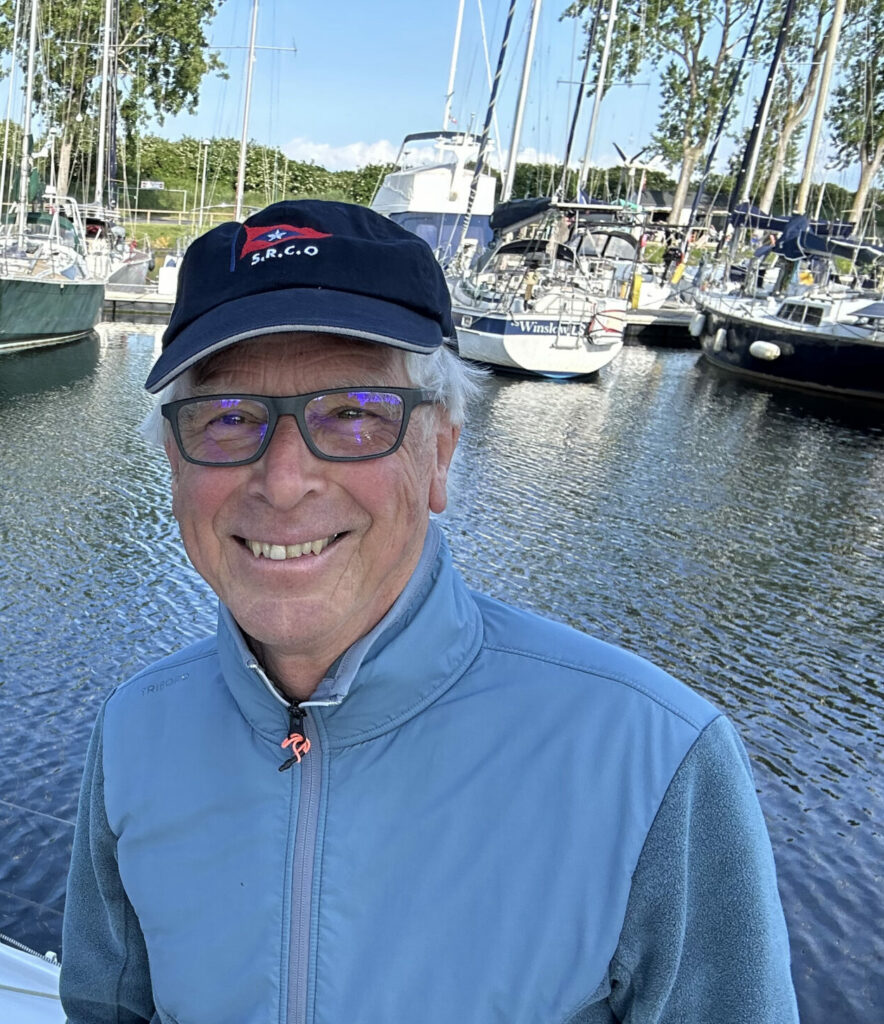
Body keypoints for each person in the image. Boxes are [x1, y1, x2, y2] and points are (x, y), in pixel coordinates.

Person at [60, 199, 799, 1024]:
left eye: (352, 414)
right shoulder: (137, 731)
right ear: (173, 459)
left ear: (441, 451)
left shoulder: (654, 761)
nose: (283, 480)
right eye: (230, 417)